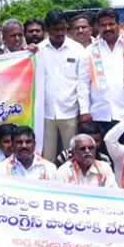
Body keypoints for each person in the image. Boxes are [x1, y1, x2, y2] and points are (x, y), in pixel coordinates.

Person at [77, 9, 124, 133]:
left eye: (111, 24)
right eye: (103, 25)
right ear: (98, 27)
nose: (107, 28)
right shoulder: (89, 51)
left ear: (119, 25)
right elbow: (83, 83)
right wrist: (84, 110)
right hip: (98, 115)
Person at [37, 9, 85, 161]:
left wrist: (83, 110)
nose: (59, 33)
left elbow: (82, 82)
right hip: (46, 112)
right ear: (47, 29)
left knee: (72, 156)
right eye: (55, 29)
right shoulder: (38, 50)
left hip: (70, 110)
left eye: (63, 28)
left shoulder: (77, 49)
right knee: (47, 158)